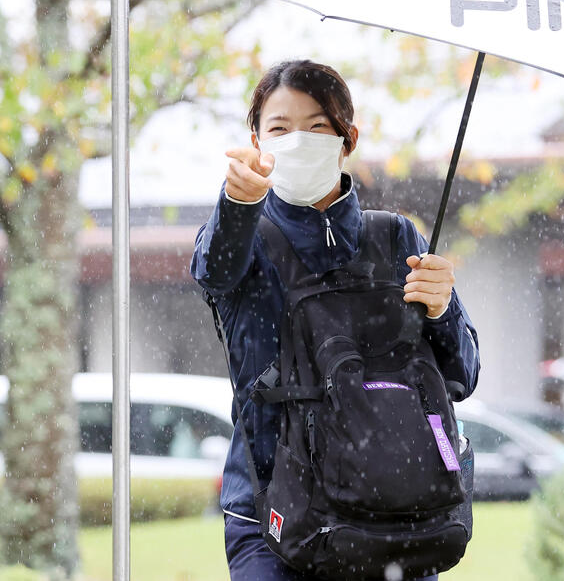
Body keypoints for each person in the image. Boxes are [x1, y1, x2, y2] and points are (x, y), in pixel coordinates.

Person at [191, 60, 480, 581]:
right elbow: (214, 272)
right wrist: (237, 205)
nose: (297, 140)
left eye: (317, 126)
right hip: (272, 518)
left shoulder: (399, 239)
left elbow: (461, 375)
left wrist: (442, 310)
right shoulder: (246, 238)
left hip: (397, 514)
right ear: (255, 140)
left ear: (348, 139)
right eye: (279, 128)